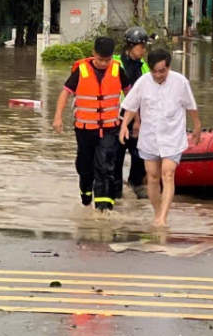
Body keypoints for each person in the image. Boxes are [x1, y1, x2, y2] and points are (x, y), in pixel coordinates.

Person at [119, 49, 201, 227]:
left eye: (162, 71)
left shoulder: (180, 82)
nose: (157, 75)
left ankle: (163, 217)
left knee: (168, 174)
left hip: (172, 135)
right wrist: (124, 125)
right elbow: (131, 106)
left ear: (169, 67)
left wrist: (197, 126)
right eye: (154, 71)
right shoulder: (143, 82)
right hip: (149, 137)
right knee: (153, 176)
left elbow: (191, 106)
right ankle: (157, 213)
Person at [53, 36, 124, 213]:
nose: (104, 63)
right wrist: (58, 117)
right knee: (85, 168)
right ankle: (86, 198)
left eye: (107, 60)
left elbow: (133, 95)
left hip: (109, 129)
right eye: (100, 59)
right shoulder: (81, 71)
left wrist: (136, 120)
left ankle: (103, 211)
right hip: (85, 130)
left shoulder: (117, 70)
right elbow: (65, 93)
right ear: (93, 54)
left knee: (105, 168)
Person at [113, 27, 150, 199]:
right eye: (141, 46)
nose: (143, 50)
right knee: (116, 154)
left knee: (138, 153)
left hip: (139, 116)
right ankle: (116, 187)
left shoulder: (144, 68)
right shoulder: (115, 64)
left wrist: (139, 120)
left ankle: (136, 183)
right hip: (117, 115)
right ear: (130, 46)